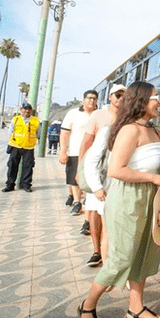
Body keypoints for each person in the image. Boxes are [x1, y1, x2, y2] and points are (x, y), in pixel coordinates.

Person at [77, 81, 160, 318]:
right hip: (128, 198)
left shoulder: (151, 130)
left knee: (143, 255)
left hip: (150, 198)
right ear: (141, 101)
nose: (159, 101)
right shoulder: (130, 130)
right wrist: (152, 178)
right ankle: (88, 305)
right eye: (155, 97)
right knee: (121, 258)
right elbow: (117, 170)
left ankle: (135, 308)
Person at [79, 84, 125, 267]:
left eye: (124, 95)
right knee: (94, 212)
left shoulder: (128, 117)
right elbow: (87, 142)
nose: (121, 98)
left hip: (116, 178)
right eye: (118, 95)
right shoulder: (99, 115)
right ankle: (96, 251)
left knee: (107, 218)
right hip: (98, 174)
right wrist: (80, 171)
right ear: (111, 97)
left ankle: (108, 256)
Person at [60, 90, 97, 229]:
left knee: (89, 179)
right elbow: (64, 132)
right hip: (75, 151)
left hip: (93, 153)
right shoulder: (73, 113)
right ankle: (77, 202)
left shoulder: (98, 114)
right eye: (89, 98)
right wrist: (63, 151)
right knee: (74, 179)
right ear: (83, 100)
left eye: (94, 99)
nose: (91, 101)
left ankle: (88, 203)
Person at [2, 103, 40, 192]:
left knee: (28, 166)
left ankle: (26, 185)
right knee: (12, 166)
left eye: (29, 109)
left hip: (29, 147)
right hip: (15, 146)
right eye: (25, 109)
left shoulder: (35, 120)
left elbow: (39, 133)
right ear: (21, 109)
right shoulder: (15, 119)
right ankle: (10, 185)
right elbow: (10, 132)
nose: (27, 111)